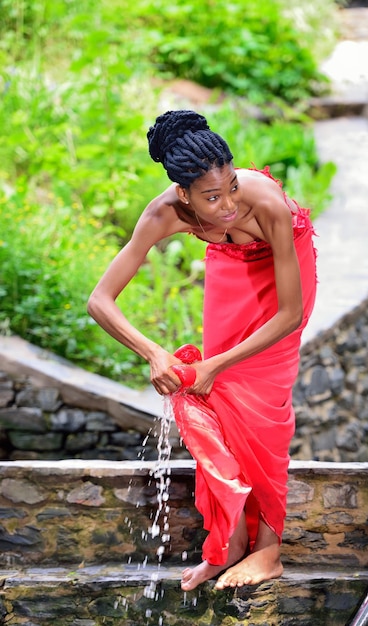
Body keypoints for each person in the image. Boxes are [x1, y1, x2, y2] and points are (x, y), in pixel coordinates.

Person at [87, 109, 317, 592]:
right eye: (212, 197)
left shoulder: (266, 203)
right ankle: (229, 545)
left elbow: (291, 313)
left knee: (261, 408)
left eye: (232, 185)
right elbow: (100, 300)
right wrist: (153, 352)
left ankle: (269, 550)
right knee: (218, 402)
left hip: (284, 281)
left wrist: (216, 363)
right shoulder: (162, 214)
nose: (230, 204)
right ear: (183, 194)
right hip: (230, 272)